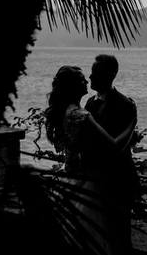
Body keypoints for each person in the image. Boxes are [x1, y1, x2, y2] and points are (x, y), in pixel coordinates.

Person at [44, 65, 135, 255]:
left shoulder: (65, 111)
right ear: (73, 87)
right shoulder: (80, 116)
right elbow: (113, 146)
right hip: (90, 182)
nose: (87, 81)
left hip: (70, 178)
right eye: (82, 79)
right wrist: (131, 123)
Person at [85, 54, 138, 255]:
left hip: (118, 180)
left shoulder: (124, 104)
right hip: (95, 179)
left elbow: (118, 147)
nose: (90, 76)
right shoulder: (89, 103)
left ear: (111, 74)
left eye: (95, 72)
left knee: (120, 236)